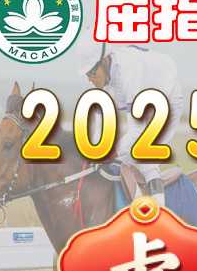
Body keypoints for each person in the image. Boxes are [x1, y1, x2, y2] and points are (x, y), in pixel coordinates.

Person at [75, 33, 185, 208]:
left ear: (105, 60)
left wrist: (112, 153)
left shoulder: (128, 73)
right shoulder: (105, 75)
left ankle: (158, 211)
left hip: (168, 100)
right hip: (146, 99)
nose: (90, 79)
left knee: (143, 158)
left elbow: (137, 131)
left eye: (92, 73)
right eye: (87, 74)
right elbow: (100, 122)